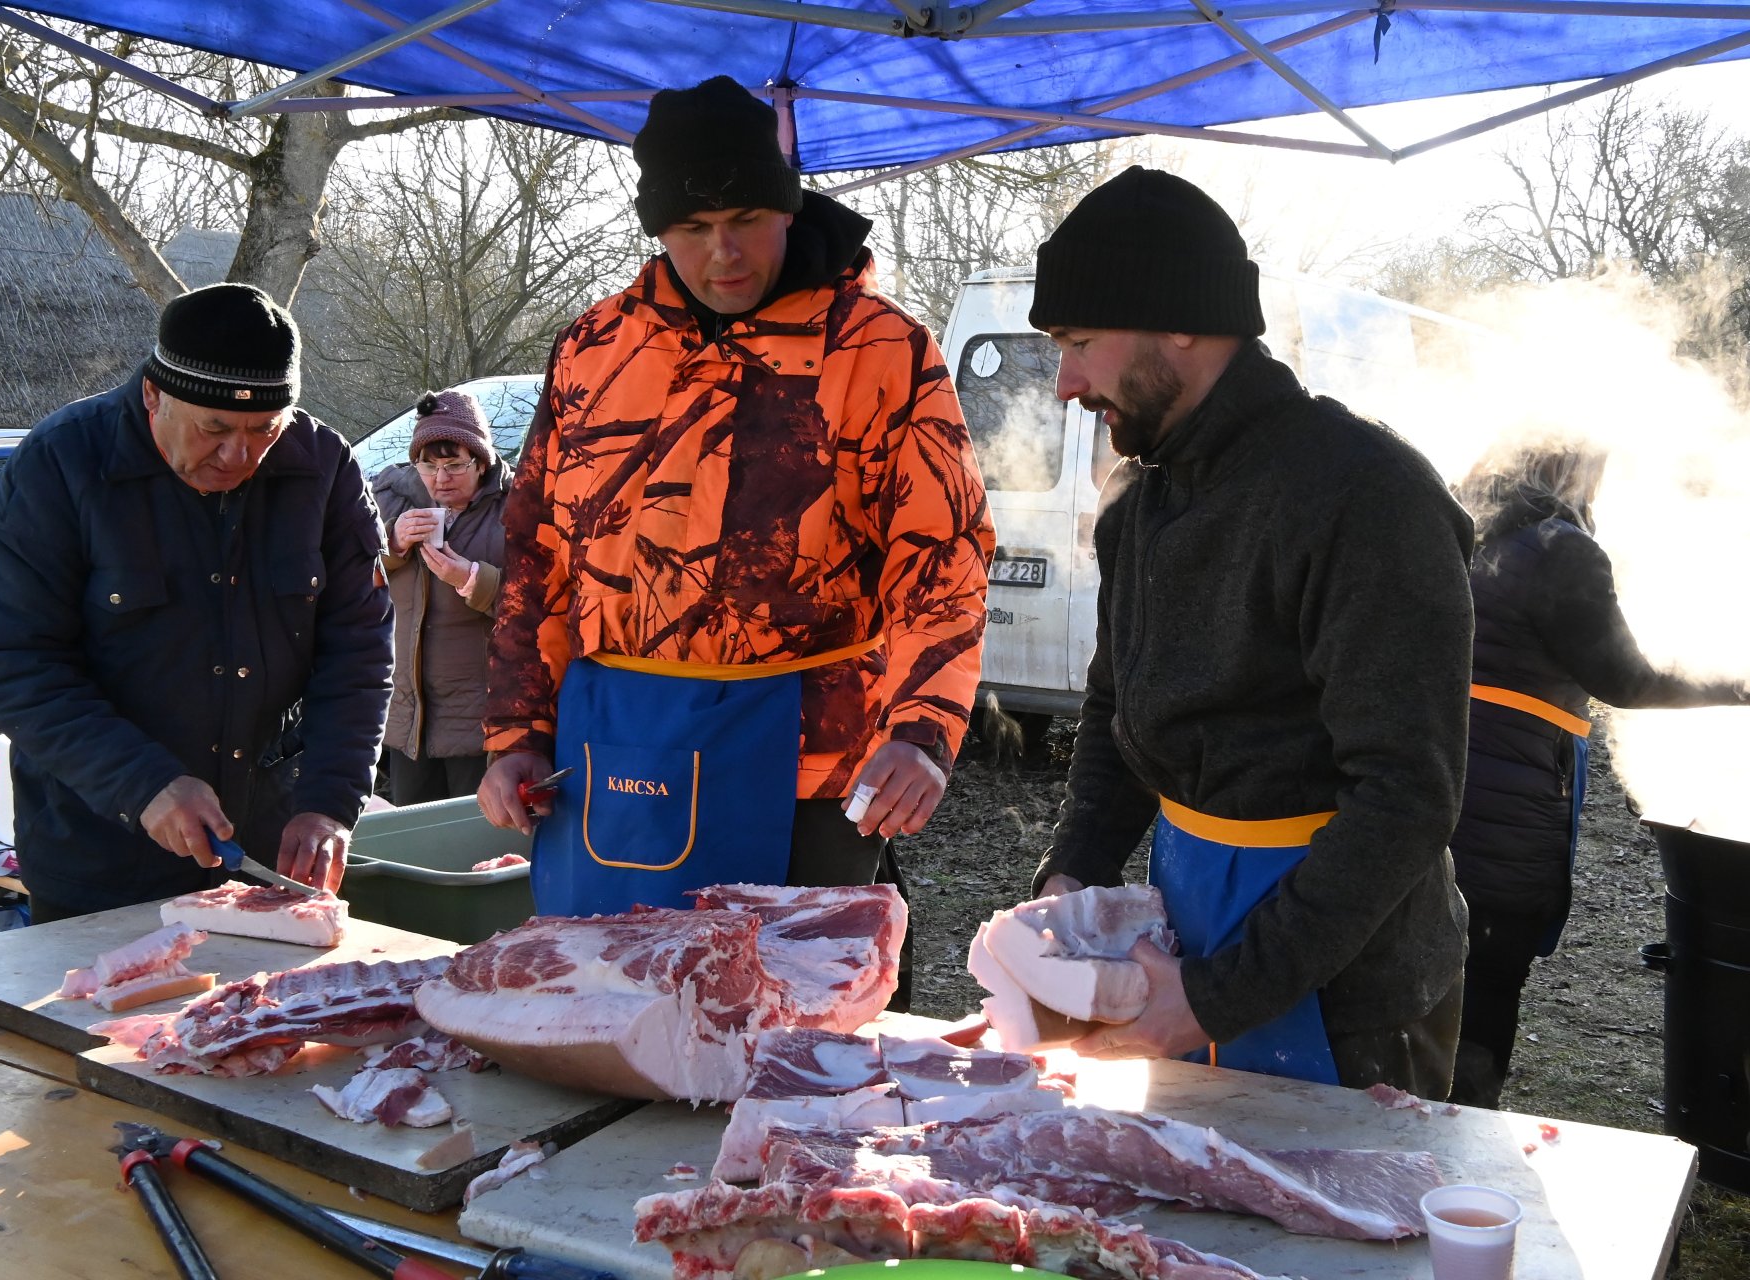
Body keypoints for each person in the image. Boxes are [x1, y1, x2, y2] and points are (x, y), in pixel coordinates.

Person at [476, 75, 995, 929]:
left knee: (792, 1022)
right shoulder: (594, 348)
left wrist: (923, 729)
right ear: (658, 231)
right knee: (611, 999)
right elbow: (536, 552)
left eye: (747, 220)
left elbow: (943, 551)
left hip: (809, 761)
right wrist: (515, 732)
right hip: (617, 742)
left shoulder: (881, 347)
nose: (726, 253)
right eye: (694, 229)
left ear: (788, 210)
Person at [1027, 167, 1475, 1096]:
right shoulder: (1139, 498)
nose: (1066, 383)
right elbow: (1118, 712)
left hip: (1354, 988)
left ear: (1180, 322)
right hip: (1186, 939)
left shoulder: (1365, 495)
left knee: (1337, 1235)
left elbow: (1405, 795)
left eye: (1079, 342)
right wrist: (1072, 874)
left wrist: (1221, 992)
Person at [0, 283, 394, 922]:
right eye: (214, 428)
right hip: (100, 850)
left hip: (267, 846)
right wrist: (142, 783)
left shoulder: (323, 467)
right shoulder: (60, 465)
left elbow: (358, 652)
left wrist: (330, 799)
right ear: (152, 396)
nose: (239, 457)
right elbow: (12, 661)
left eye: (264, 431)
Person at [1448, 443, 1750, 1108]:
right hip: (1505, 813)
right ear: (1568, 469)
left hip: (1433, 787)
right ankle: (1460, 1145)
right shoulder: (1560, 549)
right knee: (1487, 989)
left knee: (1434, 980)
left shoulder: (1458, 524)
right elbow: (1627, 680)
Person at [372, 390, 511, 805]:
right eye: (428, 466)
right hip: (407, 716)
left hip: (480, 720)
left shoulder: (516, 506)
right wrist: (392, 547)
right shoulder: (389, 498)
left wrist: (470, 577)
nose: (440, 478)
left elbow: (543, 608)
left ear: (481, 461)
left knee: (471, 839)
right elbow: (341, 582)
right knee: (414, 837)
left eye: (455, 466)